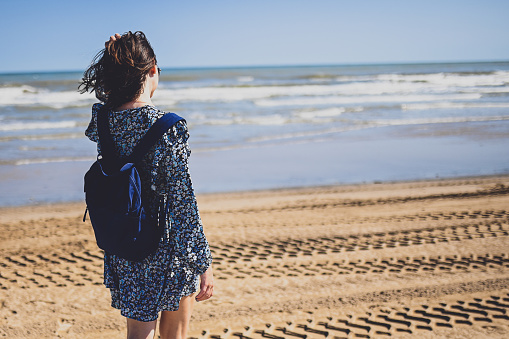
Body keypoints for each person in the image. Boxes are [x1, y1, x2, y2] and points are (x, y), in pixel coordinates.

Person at [79, 31, 214, 339]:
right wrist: (202, 262)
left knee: (138, 336)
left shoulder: (103, 121)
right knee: (173, 336)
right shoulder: (169, 127)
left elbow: (108, 109)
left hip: (126, 242)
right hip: (168, 248)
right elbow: (183, 204)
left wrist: (117, 59)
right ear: (152, 70)